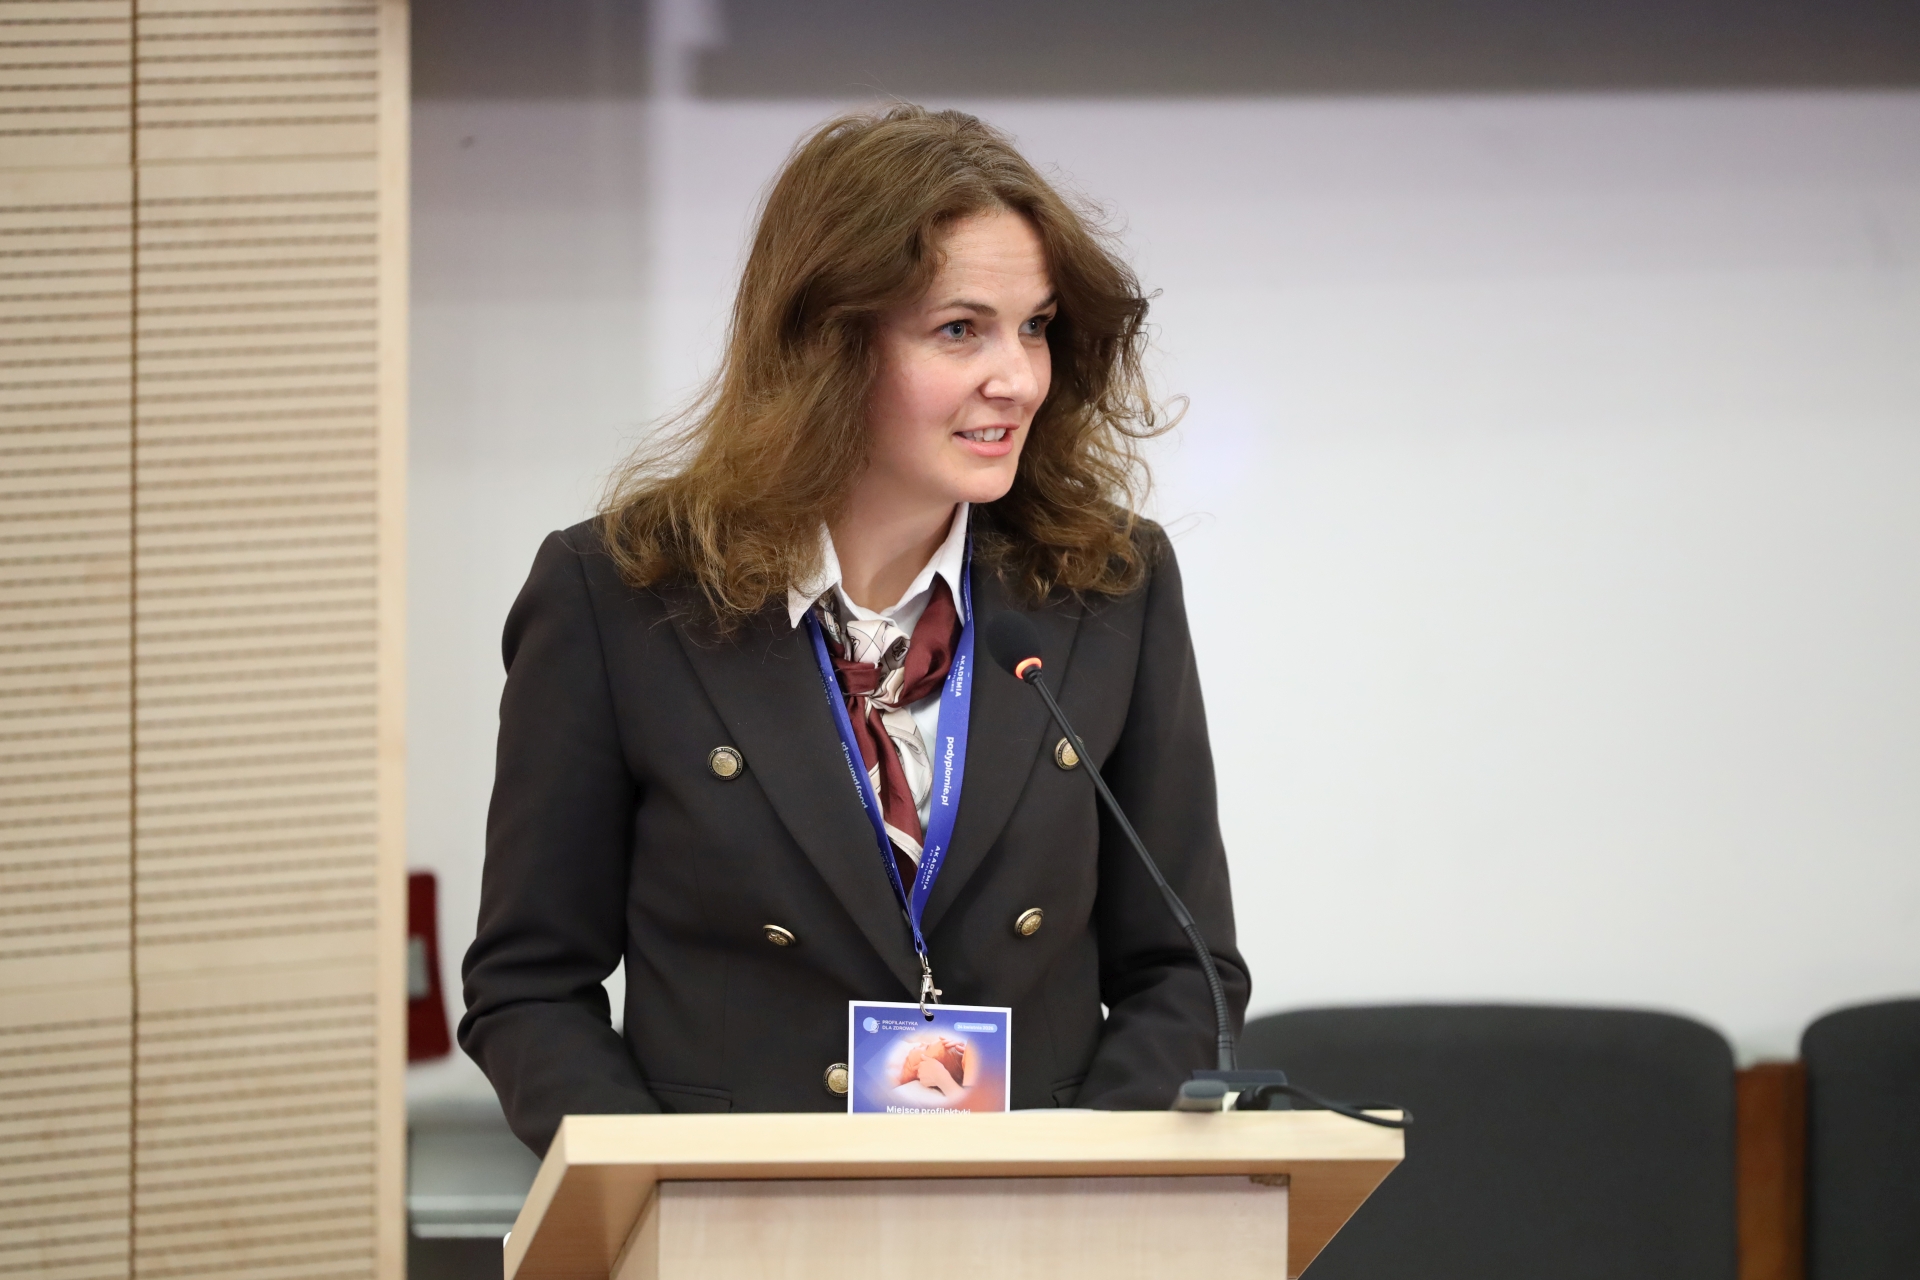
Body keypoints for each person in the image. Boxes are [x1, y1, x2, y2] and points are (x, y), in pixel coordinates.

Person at [460, 104, 1248, 1155]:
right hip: (736, 1218)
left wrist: (1082, 1184)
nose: (1017, 378)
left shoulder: (1108, 584)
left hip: (1040, 1217)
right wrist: (662, 1193)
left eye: (1036, 326)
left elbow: (1185, 971)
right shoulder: (618, 594)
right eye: (960, 329)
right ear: (829, 344)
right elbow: (529, 988)